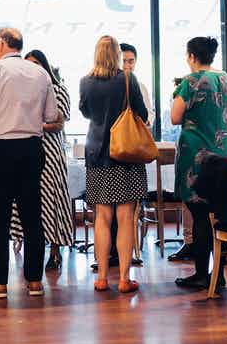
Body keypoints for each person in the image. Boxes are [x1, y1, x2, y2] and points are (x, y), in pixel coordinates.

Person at [0, 27, 60, 299]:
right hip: (32, 148)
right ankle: (35, 281)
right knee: (32, 215)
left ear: (1, 44)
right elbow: (51, 114)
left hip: (0, 149)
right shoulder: (40, 73)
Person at [79, 35, 148, 294]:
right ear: (117, 54)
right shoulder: (128, 79)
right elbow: (141, 113)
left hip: (97, 154)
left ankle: (102, 277)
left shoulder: (85, 81)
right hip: (125, 154)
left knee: (102, 217)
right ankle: (124, 279)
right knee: (126, 216)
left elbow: (86, 112)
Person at [172, 36, 227, 290]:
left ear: (191, 56)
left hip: (197, 156)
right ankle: (218, 274)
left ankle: (201, 274)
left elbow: (176, 117)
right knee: (220, 214)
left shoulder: (190, 82)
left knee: (199, 215)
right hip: (223, 153)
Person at [9, 50, 75, 271]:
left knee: (52, 200)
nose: (33, 68)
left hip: (50, 151)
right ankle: (31, 251)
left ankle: (55, 250)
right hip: (26, 150)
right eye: (29, 64)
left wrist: (34, 124)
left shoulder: (57, 89)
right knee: (28, 200)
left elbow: (59, 123)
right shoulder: (21, 91)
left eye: (37, 63)